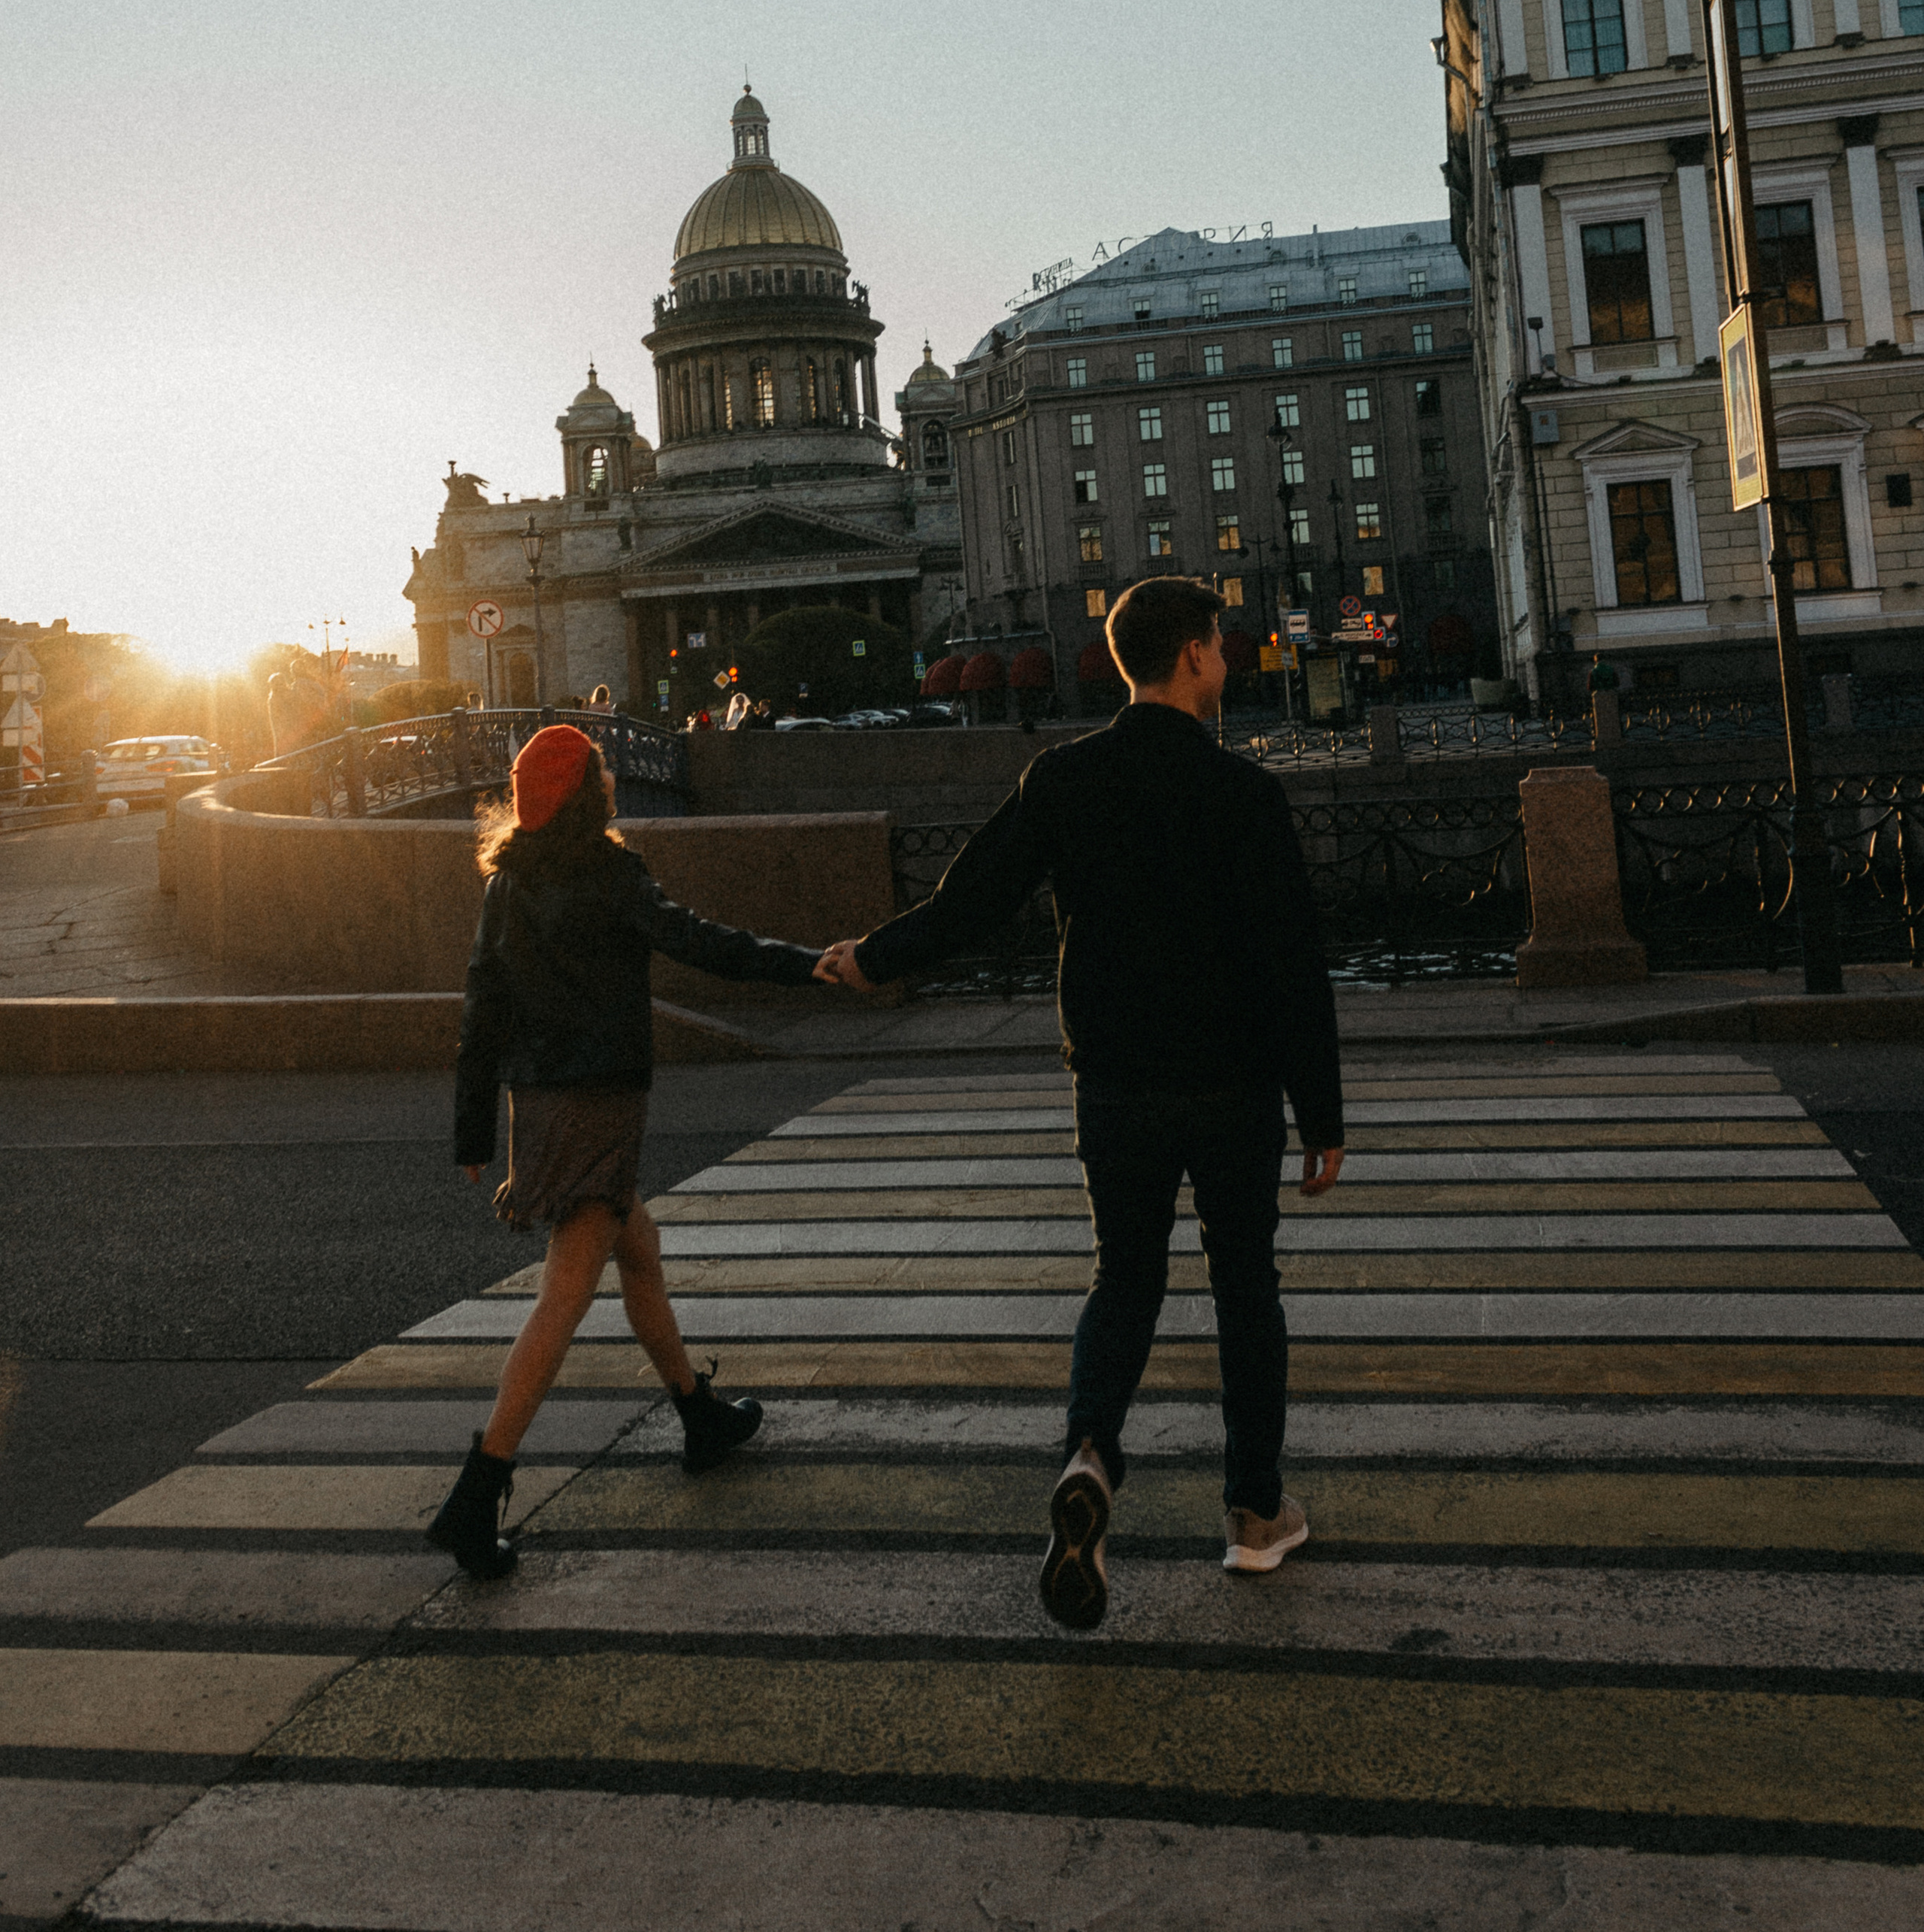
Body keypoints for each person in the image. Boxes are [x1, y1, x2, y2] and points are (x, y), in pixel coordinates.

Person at [817, 577, 1344, 1632]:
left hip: (1116, 1084)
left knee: (1124, 1281)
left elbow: (972, 900)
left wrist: (874, 958)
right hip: (1232, 1086)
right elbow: (1291, 964)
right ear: (1191, 656)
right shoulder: (1245, 793)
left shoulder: (1064, 778)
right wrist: (1321, 1114)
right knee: (1246, 1290)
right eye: (1218, 646)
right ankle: (1254, 1514)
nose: (1225, 661)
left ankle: (1092, 1454)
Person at [428, 722, 830, 1579]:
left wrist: (472, 1130)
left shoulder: (507, 883)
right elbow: (701, 942)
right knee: (563, 1298)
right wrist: (808, 966)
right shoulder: (608, 876)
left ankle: (697, 1416)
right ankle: (477, 1492)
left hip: (541, 1103)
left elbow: (480, 1008)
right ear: (589, 795)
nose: (611, 781)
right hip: (599, 1104)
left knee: (638, 1252)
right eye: (601, 774)